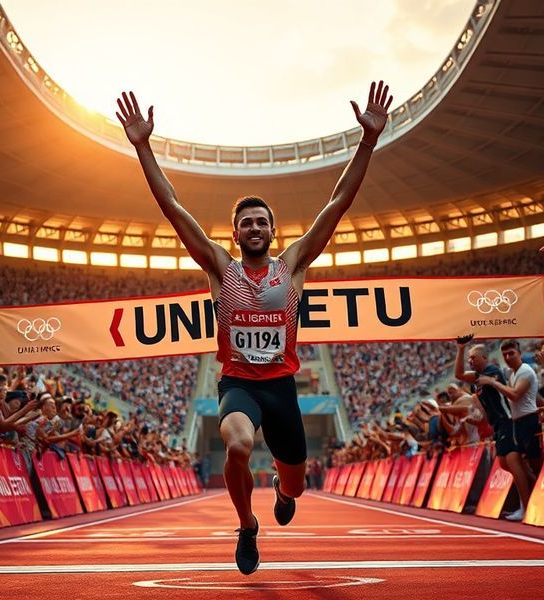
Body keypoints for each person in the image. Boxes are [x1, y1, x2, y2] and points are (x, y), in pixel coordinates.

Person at [116, 80, 393, 574]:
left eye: (262, 222)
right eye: (247, 223)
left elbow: (337, 204)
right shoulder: (221, 268)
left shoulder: (293, 265)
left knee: (297, 486)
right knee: (238, 443)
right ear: (236, 233)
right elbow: (173, 208)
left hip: (282, 388)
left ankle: (284, 492)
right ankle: (247, 525)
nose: (255, 228)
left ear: (272, 230)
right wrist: (143, 148)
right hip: (239, 384)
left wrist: (368, 140)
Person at [475, 339, 541, 522]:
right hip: (518, 421)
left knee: (529, 465)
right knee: (519, 465)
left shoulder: (525, 370)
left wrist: (493, 383)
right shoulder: (513, 374)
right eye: (504, 354)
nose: (508, 357)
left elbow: (515, 394)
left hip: (528, 421)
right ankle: (528, 504)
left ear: (519, 353)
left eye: (511, 353)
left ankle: (531, 506)